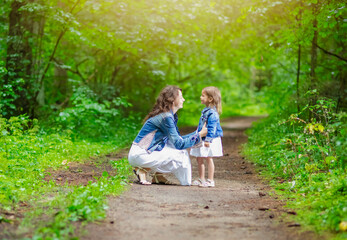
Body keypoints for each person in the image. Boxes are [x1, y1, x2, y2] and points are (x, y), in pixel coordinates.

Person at [128, 85, 207, 185]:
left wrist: (198, 133)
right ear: (173, 99)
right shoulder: (166, 117)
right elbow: (179, 144)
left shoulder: (169, 116)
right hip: (141, 154)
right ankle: (144, 169)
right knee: (181, 153)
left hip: (140, 153)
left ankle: (158, 176)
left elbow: (178, 140)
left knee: (172, 148)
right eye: (181, 97)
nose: (184, 99)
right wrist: (199, 135)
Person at [190, 86, 223, 187]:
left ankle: (210, 180)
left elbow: (212, 128)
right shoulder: (206, 110)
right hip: (202, 137)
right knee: (199, 158)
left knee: (208, 158)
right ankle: (201, 179)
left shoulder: (213, 113)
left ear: (210, 99)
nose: (200, 97)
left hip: (209, 139)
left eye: (203, 96)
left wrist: (208, 140)